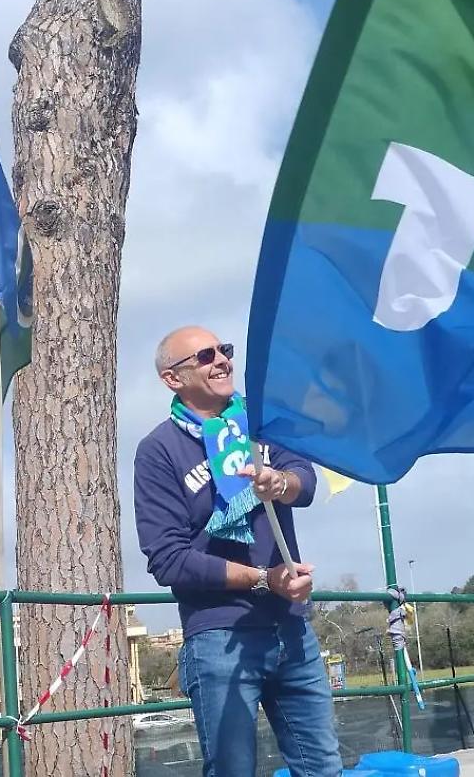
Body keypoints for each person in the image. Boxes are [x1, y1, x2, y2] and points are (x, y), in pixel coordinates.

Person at [133, 325, 342, 777]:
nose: (222, 361)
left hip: (293, 631)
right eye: (205, 356)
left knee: (322, 767)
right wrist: (265, 579)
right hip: (218, 639)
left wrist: (279, 482)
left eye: (224, 350)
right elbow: (168, 559)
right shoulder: (158, 452)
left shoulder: (263, 423)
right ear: (172, 379)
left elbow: (304, 479)